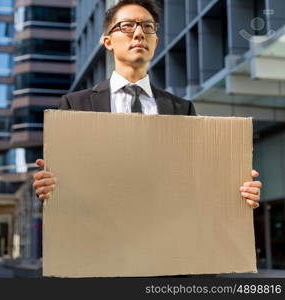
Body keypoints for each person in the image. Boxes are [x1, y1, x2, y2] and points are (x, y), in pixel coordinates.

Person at [32, 0, 261, 208]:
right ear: (108, 41)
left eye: (147, 27)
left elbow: (195, 176)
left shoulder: (182, 109)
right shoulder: (75, 105)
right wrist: (47, 185)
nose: (139, 33)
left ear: (155, 41)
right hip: (99, 232)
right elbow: (63, 179)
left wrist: (237, 190)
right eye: (127, 26)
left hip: (163, 233)